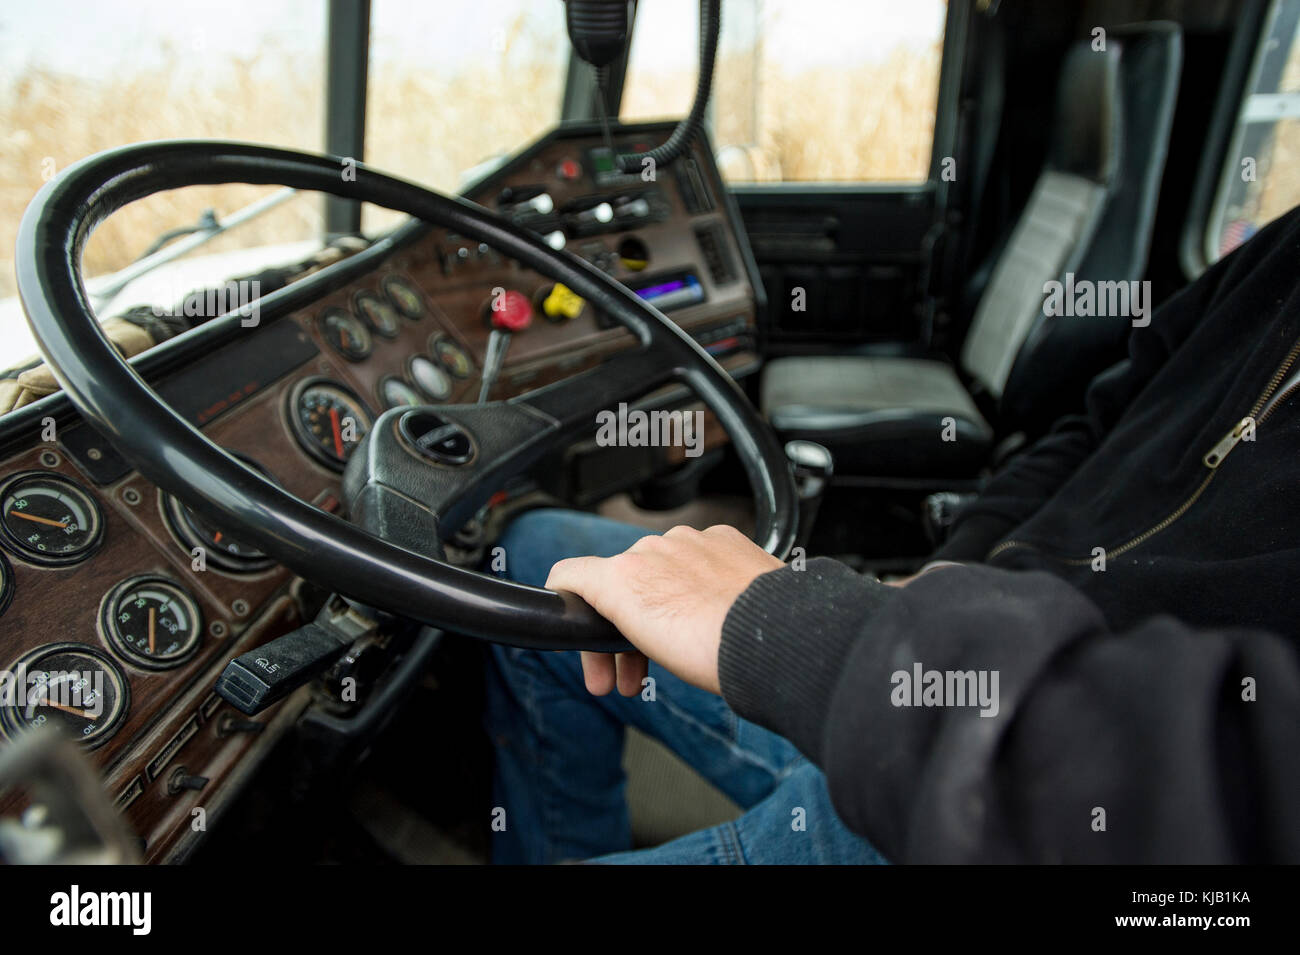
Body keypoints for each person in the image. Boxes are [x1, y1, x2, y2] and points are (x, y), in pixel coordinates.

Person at [484, 205, 1300, 865]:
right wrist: (942, 579)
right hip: (949, 658)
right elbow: (1096, 421)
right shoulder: (1284, 252)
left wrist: (784, 629)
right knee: (535, 559)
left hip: (1021, 807)